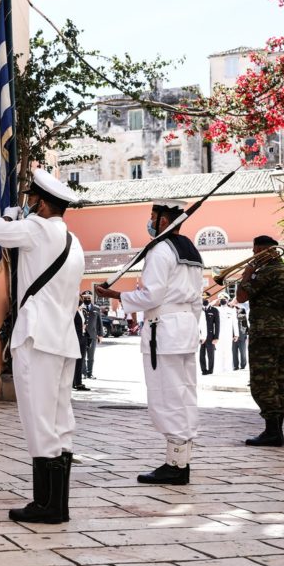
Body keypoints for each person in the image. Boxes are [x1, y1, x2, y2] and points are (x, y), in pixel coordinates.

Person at [0, 170, 84, 522]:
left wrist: (11, 216)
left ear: (39, 202)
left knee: (39, 420)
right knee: (59, 420)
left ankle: (46, 505)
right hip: (64, 339)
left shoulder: (37, 229)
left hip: (37, 338)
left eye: (31, 200)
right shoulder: (74, 240)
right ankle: (59, 503)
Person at [96, 199, 202, 485]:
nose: (150, 221)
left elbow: (151, 297)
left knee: (166, 396)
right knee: (185, 394)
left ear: (164, 222)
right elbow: (197, 301)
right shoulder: (191, 251)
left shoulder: (160, 249)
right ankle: (181, 461)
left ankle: (175, 466)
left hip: (164, 331)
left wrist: (116, 296)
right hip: (185, 328)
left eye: (153, 216)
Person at [236, 235, 284, 446]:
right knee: (279, 380)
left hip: (264, 331)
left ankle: (272, 431)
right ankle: (277, 430)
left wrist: (247, 274)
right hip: (283, 331)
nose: (253, 255)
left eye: (255, 251)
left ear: (262, 249)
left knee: (262, 381)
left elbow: (241, 297)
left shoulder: (266, 272)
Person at [80, 291, 102, 379]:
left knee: (91, 356)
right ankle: (83, 373)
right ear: (83, 298)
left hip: (92, 335)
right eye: (85, 297)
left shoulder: (96, 308)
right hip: (82, 335)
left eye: (89, 297)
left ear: (91, 298)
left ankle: (90, 373)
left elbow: (99, 322)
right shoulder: (80, 308)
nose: (87, 299)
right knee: (82, 355)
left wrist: (100, 335)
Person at [215, 293, 238, 373]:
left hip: (228, 334)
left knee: (228, 351)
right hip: (218, 334)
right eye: (221, 299)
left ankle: (228, 368)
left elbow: (235, 322)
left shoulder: (232, 310)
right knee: (219, 351)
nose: (222, 300)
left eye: (224, 299)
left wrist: (236, 334)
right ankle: (219, 368)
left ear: (227, 300)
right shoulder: (216, 310)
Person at [200, 292, 220, 375]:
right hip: (200, 336)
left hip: (210, 336)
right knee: (201, 354)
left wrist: (216, 337)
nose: (205, 299)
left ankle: (210, 370)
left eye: (206, 298)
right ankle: (203, 370)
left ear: (209, 299)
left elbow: (217, 324)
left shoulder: (214, 310)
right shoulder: (198, 310)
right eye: (203, 298)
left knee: (211, 354)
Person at [73, 301, 89, 391]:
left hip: (83, 337)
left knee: (80, 361)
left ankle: (78, 382)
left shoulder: (82, 311)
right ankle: (75, 382)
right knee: (75, 361)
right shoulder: (72, 312)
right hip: (76, 338)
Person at [233, 305, 249, 370]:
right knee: (234, 352)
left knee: (243, 352)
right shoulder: (231, 313)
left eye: (237, 308)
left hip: (242, 336)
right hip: (233, 336)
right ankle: (235, 366)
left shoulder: (242, 313)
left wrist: (245, 335)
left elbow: (245, 324)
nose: (236, 309)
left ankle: (243, 365)